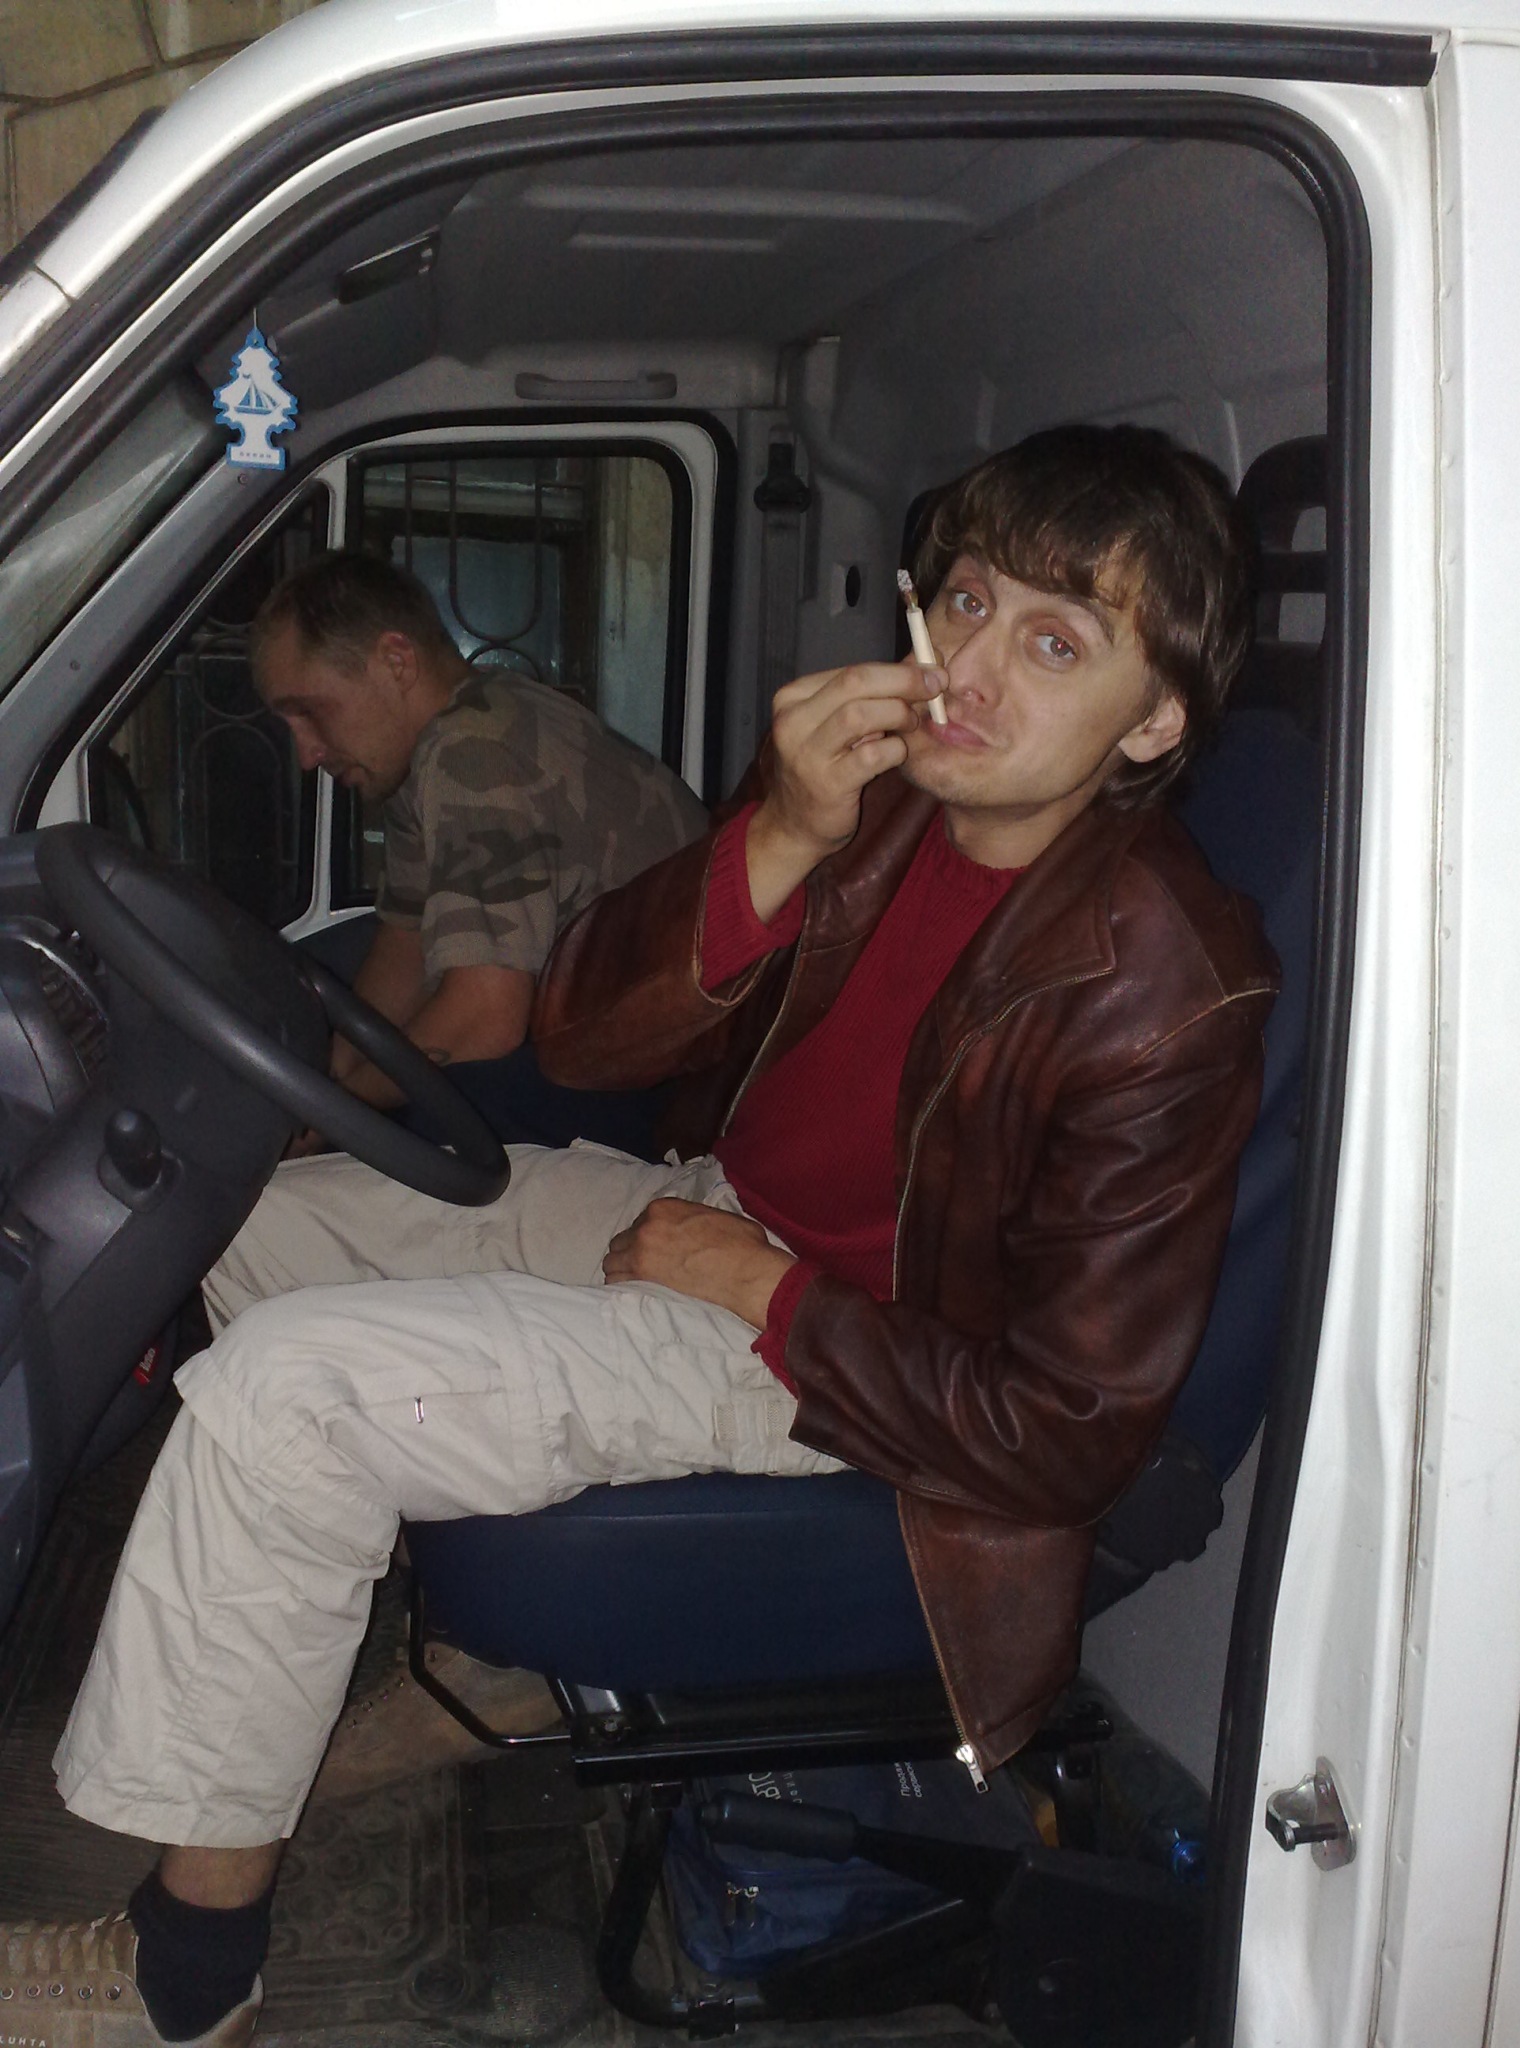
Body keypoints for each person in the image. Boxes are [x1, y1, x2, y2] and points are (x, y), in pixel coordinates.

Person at [3, 425, 1278, 2042]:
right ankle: (339, 1650)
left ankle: (185, 1978)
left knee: (284, 1394)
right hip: (715, 1207)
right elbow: (590, 1031)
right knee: (256, 1223)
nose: (967, 669)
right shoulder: (884, 802)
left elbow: (1061, 1429)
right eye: (963, 602)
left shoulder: (1167, 987)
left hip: (857, 1359)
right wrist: (782, 832)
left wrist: (761, 1286)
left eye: (1053, 643)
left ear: (1154, 718)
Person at [253, 549, 706, 1153]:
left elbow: (484, 1020)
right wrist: (324, 1079)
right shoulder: (439, 745)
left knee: (391, 1140)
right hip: (611, 1036)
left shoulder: (472, 752)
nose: (307, 754)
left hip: (661, 1079)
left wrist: (329, 1121)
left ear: (395, 662)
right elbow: (405, 943)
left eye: (310, 712)